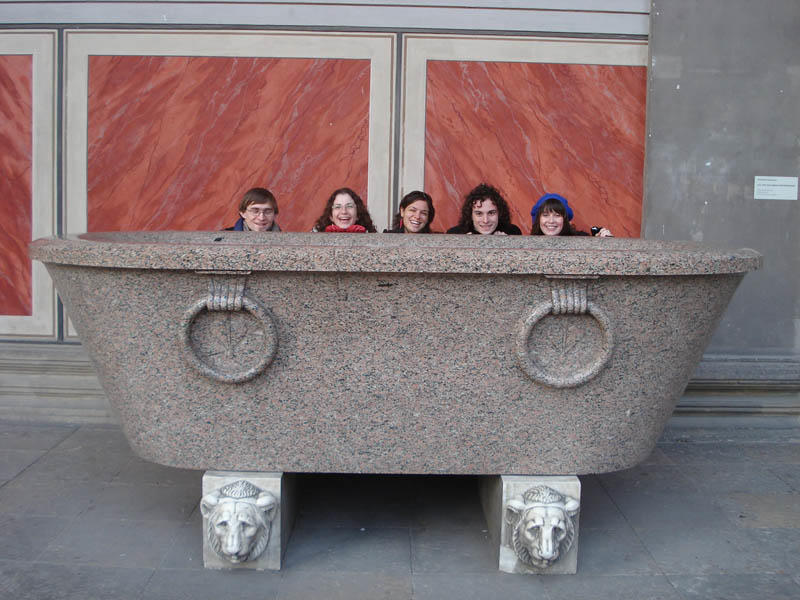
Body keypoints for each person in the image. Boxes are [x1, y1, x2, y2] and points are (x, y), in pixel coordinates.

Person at [446, 183, 522, 235]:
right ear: (470, 215)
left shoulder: (512, 232)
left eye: (491, 213)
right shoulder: (455, 234)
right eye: (479, 213)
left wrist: (506, 245)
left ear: (500, 213)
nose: (485, 220)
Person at [529, 193, 613, 237]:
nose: (551, 221)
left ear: (565, 219)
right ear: (538, 219)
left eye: (557, 215)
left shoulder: (582, 241)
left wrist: (603, 241)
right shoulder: (528, 245)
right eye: (545, 215)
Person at [312, 187, 377, 233]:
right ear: (331, 216)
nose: (344, 211)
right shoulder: (315, 238)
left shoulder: (372, 239)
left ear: (358, 215)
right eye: (338, 207)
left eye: (349, 206)